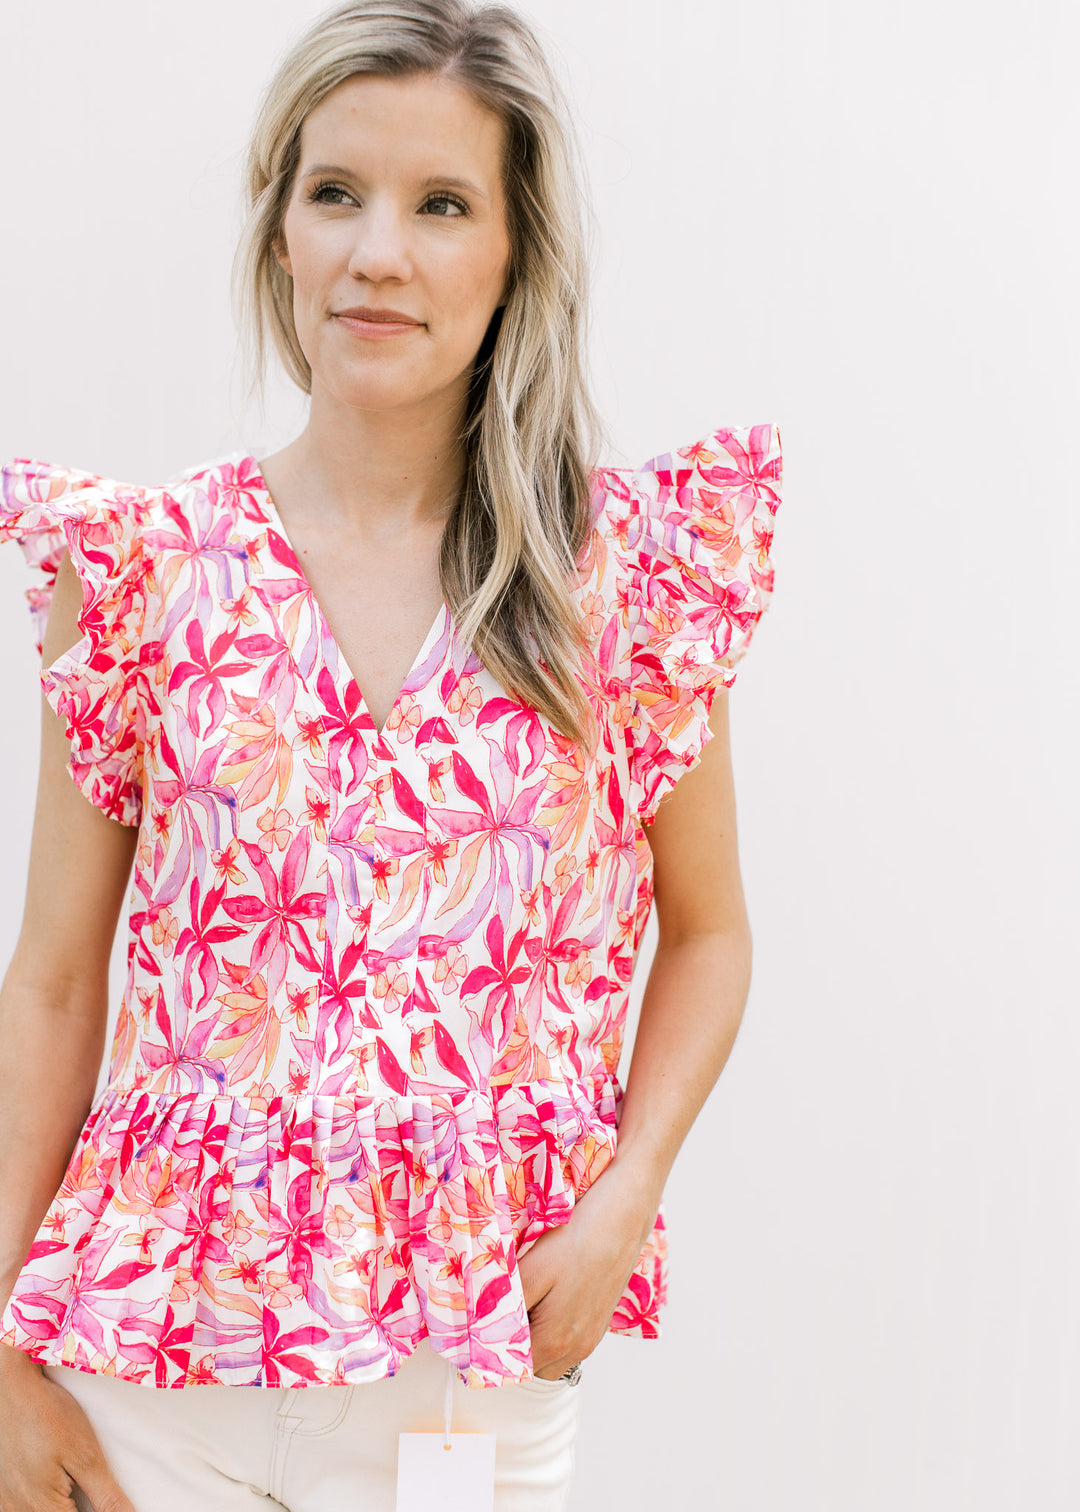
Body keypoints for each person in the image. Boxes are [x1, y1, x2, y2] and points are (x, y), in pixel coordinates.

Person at [0, 1, 784, 1508]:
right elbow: (48, 977)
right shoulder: (144, 571)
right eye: (335, 192)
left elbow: (713, 934)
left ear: (512, 253)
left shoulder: (616, 583)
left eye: (442, 206)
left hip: (470, 1386)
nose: (378, 253)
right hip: (149, 1381)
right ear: (278, 228)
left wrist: (627, 1200)